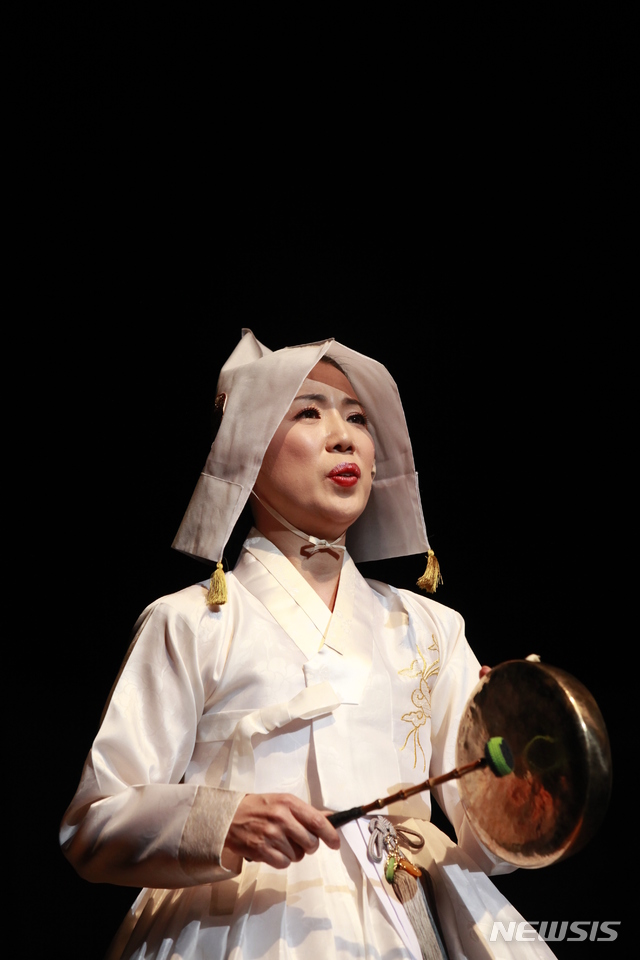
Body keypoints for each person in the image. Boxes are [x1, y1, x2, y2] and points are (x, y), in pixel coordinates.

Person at [60, 330, 557, 959]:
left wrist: (519, 800)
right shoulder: (192, 621)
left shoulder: (429, 627)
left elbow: (487, 841)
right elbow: (94, 823)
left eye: (358, 418)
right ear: (247, 451)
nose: (344, 437)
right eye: (309, 413)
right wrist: (224, 819)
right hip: (240, 922)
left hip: (401, 911)